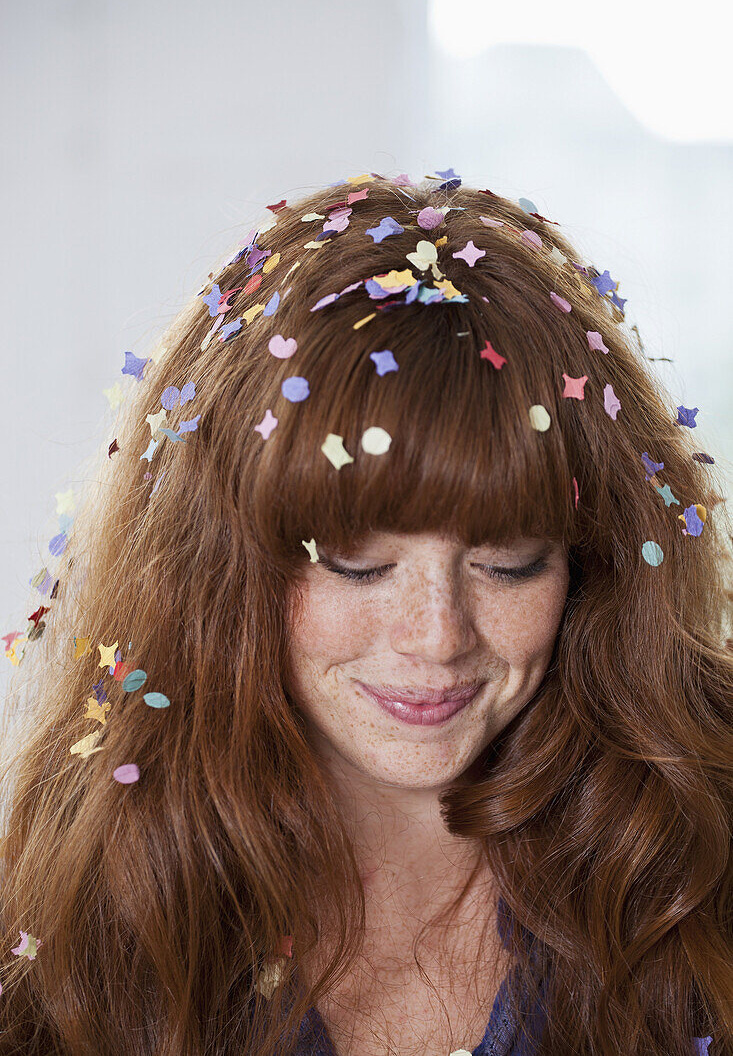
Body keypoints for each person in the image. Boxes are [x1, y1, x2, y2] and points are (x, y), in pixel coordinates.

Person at [0, 170, 728, 1056]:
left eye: (507, 563)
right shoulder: (74, 908)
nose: (437, 636)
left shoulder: (704, 862)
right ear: (221, 568)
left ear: (588, 563)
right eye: (358, 563)